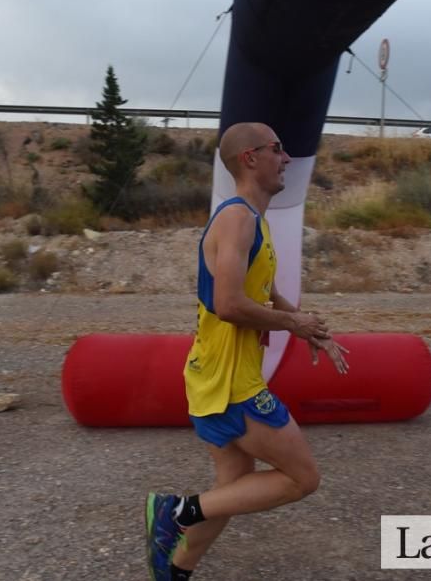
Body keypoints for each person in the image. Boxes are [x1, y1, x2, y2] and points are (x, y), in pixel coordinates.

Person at [145, 122, 350, 580]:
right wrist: (293, 322)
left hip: (214, 376)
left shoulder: (253, 221)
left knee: (232, 490)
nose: (287, 158)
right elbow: (230, 304)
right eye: (278, 149)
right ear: (250, 158)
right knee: (303, 478)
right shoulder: (236, 218)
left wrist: (306, 327)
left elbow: (265, 293)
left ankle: (176, 570)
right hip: (230, 383)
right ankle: (175, 511)